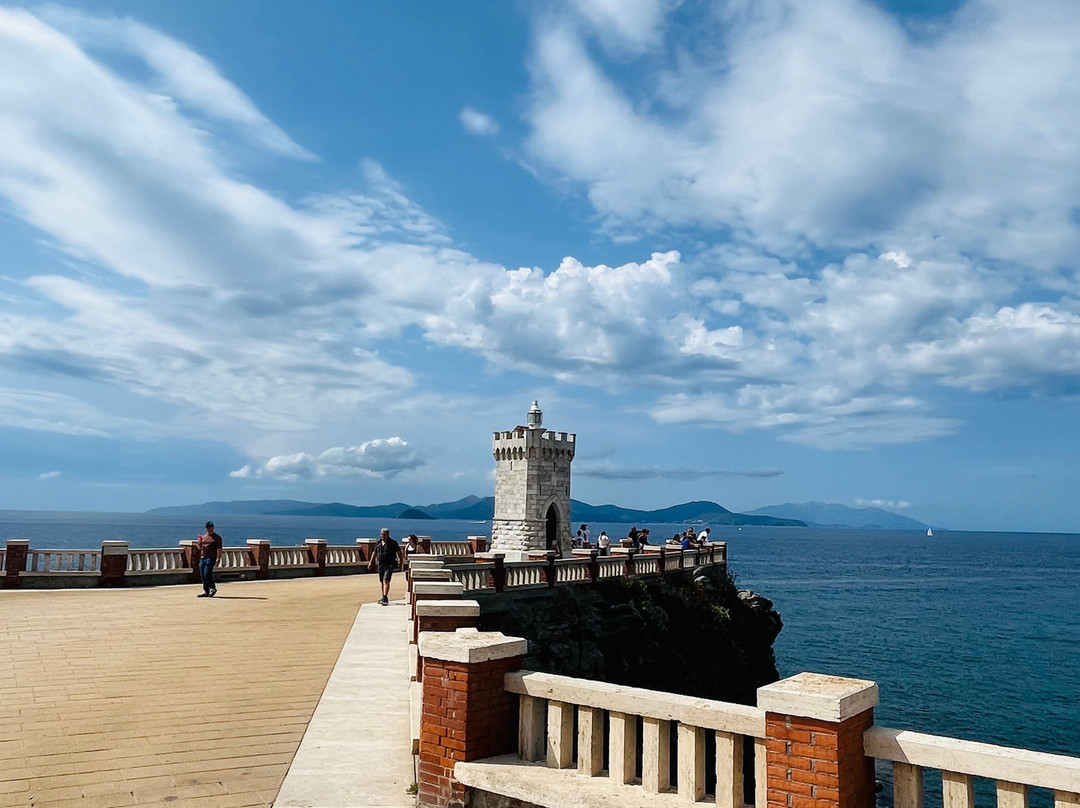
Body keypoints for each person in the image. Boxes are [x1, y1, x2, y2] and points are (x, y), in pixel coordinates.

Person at [369, 528, 404, 605]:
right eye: (382, 534)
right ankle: (383, 597)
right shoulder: (378, 543)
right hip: (380, 564)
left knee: (386, 580)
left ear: (388, 535)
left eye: (384, 534)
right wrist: (371, 563)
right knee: (382, 581)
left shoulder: (393, 543)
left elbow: (399, 553)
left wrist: (401, 563)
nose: (383, 536)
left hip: (389, 564)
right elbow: (374, 553)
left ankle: (385, 597)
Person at [196, 521, 222, 598]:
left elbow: (219, 548)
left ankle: (212, 588)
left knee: (207, 573)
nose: (208, 529)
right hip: (203, 557)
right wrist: (199, 543)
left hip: (211, 558)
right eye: (207, 527)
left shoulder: (217, 537)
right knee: (202, 574)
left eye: (210, 527)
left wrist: (218, 558)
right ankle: (206, 590)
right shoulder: (203, 537)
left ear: (213, 527)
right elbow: (199, 548)